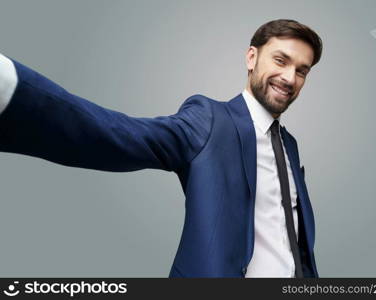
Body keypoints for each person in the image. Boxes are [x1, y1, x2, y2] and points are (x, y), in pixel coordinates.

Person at [0, 19, 322, 278]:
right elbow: (117, 135)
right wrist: (10, 90)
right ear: (251, 57)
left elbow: (293, 239)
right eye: (281, 60)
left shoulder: (289, 146)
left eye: (302, 71)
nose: (289, 77)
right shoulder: (209, 119)